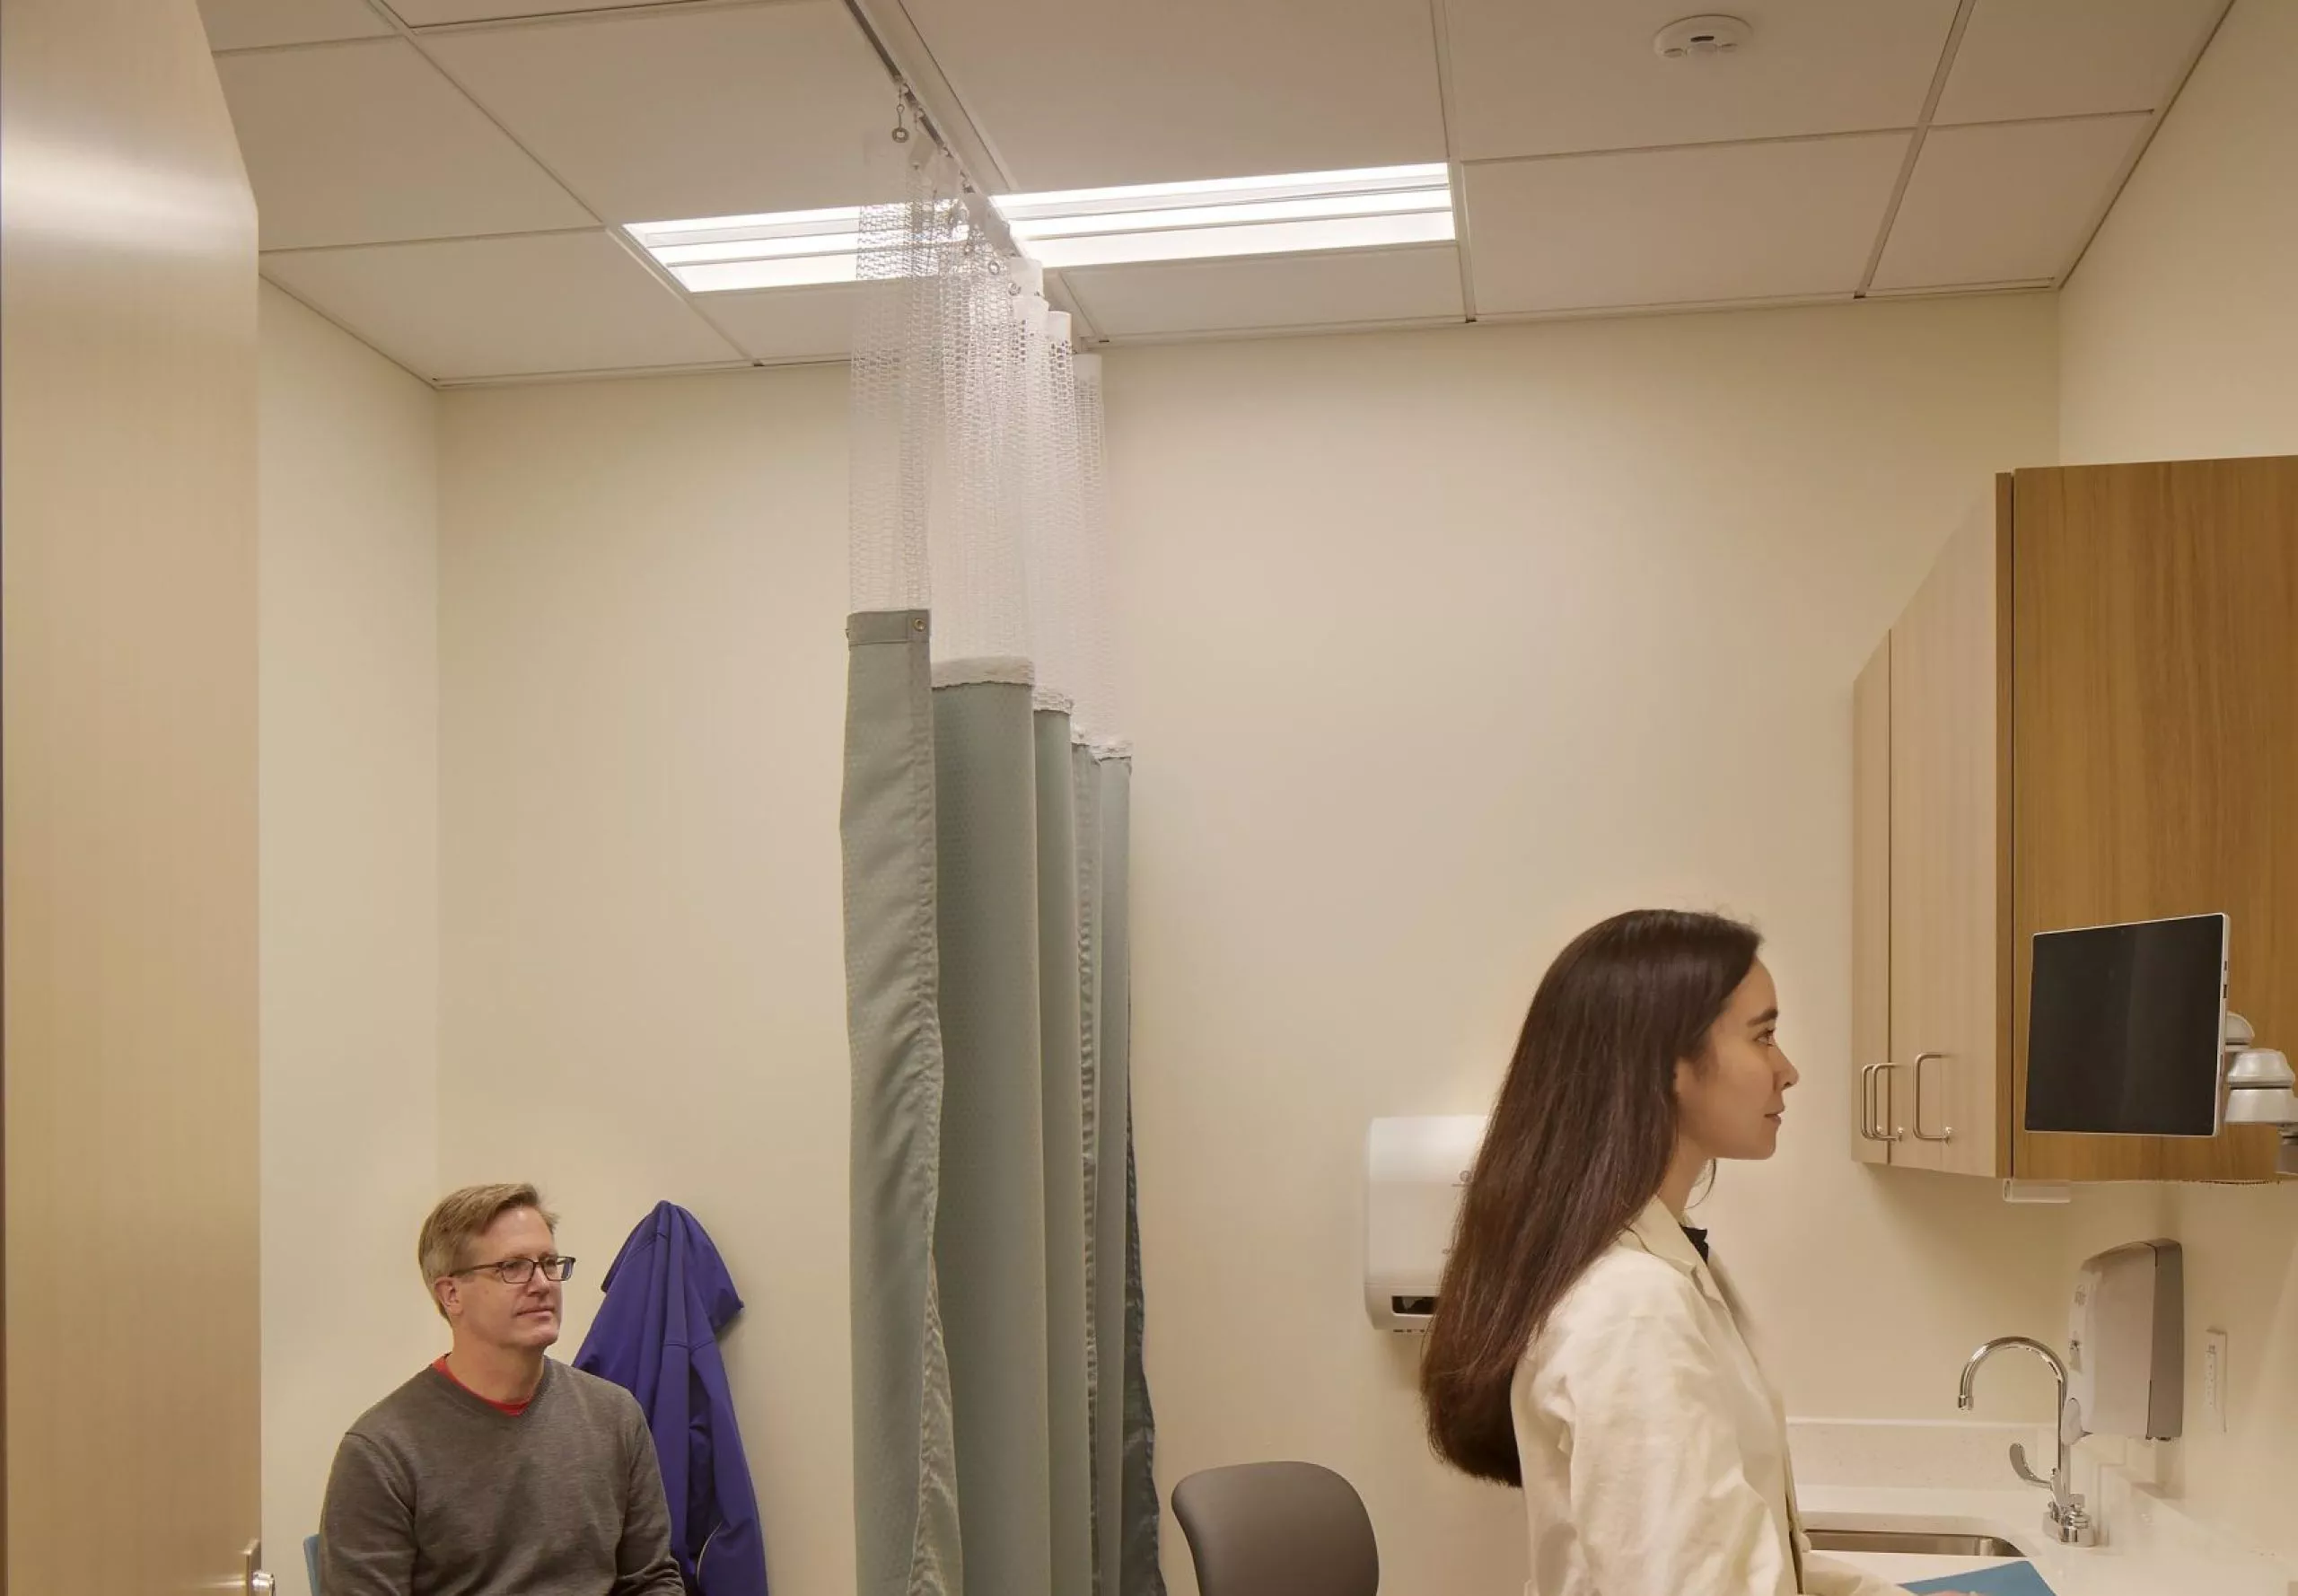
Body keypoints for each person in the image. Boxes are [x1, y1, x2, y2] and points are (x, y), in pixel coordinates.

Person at [1421, 909, 1978, 1596]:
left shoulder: (1656, 1267)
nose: (1788, 1070)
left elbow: (1749, 1564)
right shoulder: (1631, 1307)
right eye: (1764, 1036)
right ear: (1671, 1066)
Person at [320, 1183, 685, 1596]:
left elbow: (652, 1580)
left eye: (549, 1263)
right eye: (512, 1267)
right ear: (451, 1294)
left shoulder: (616, 1416)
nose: (542, 1283)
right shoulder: (381, 1451)